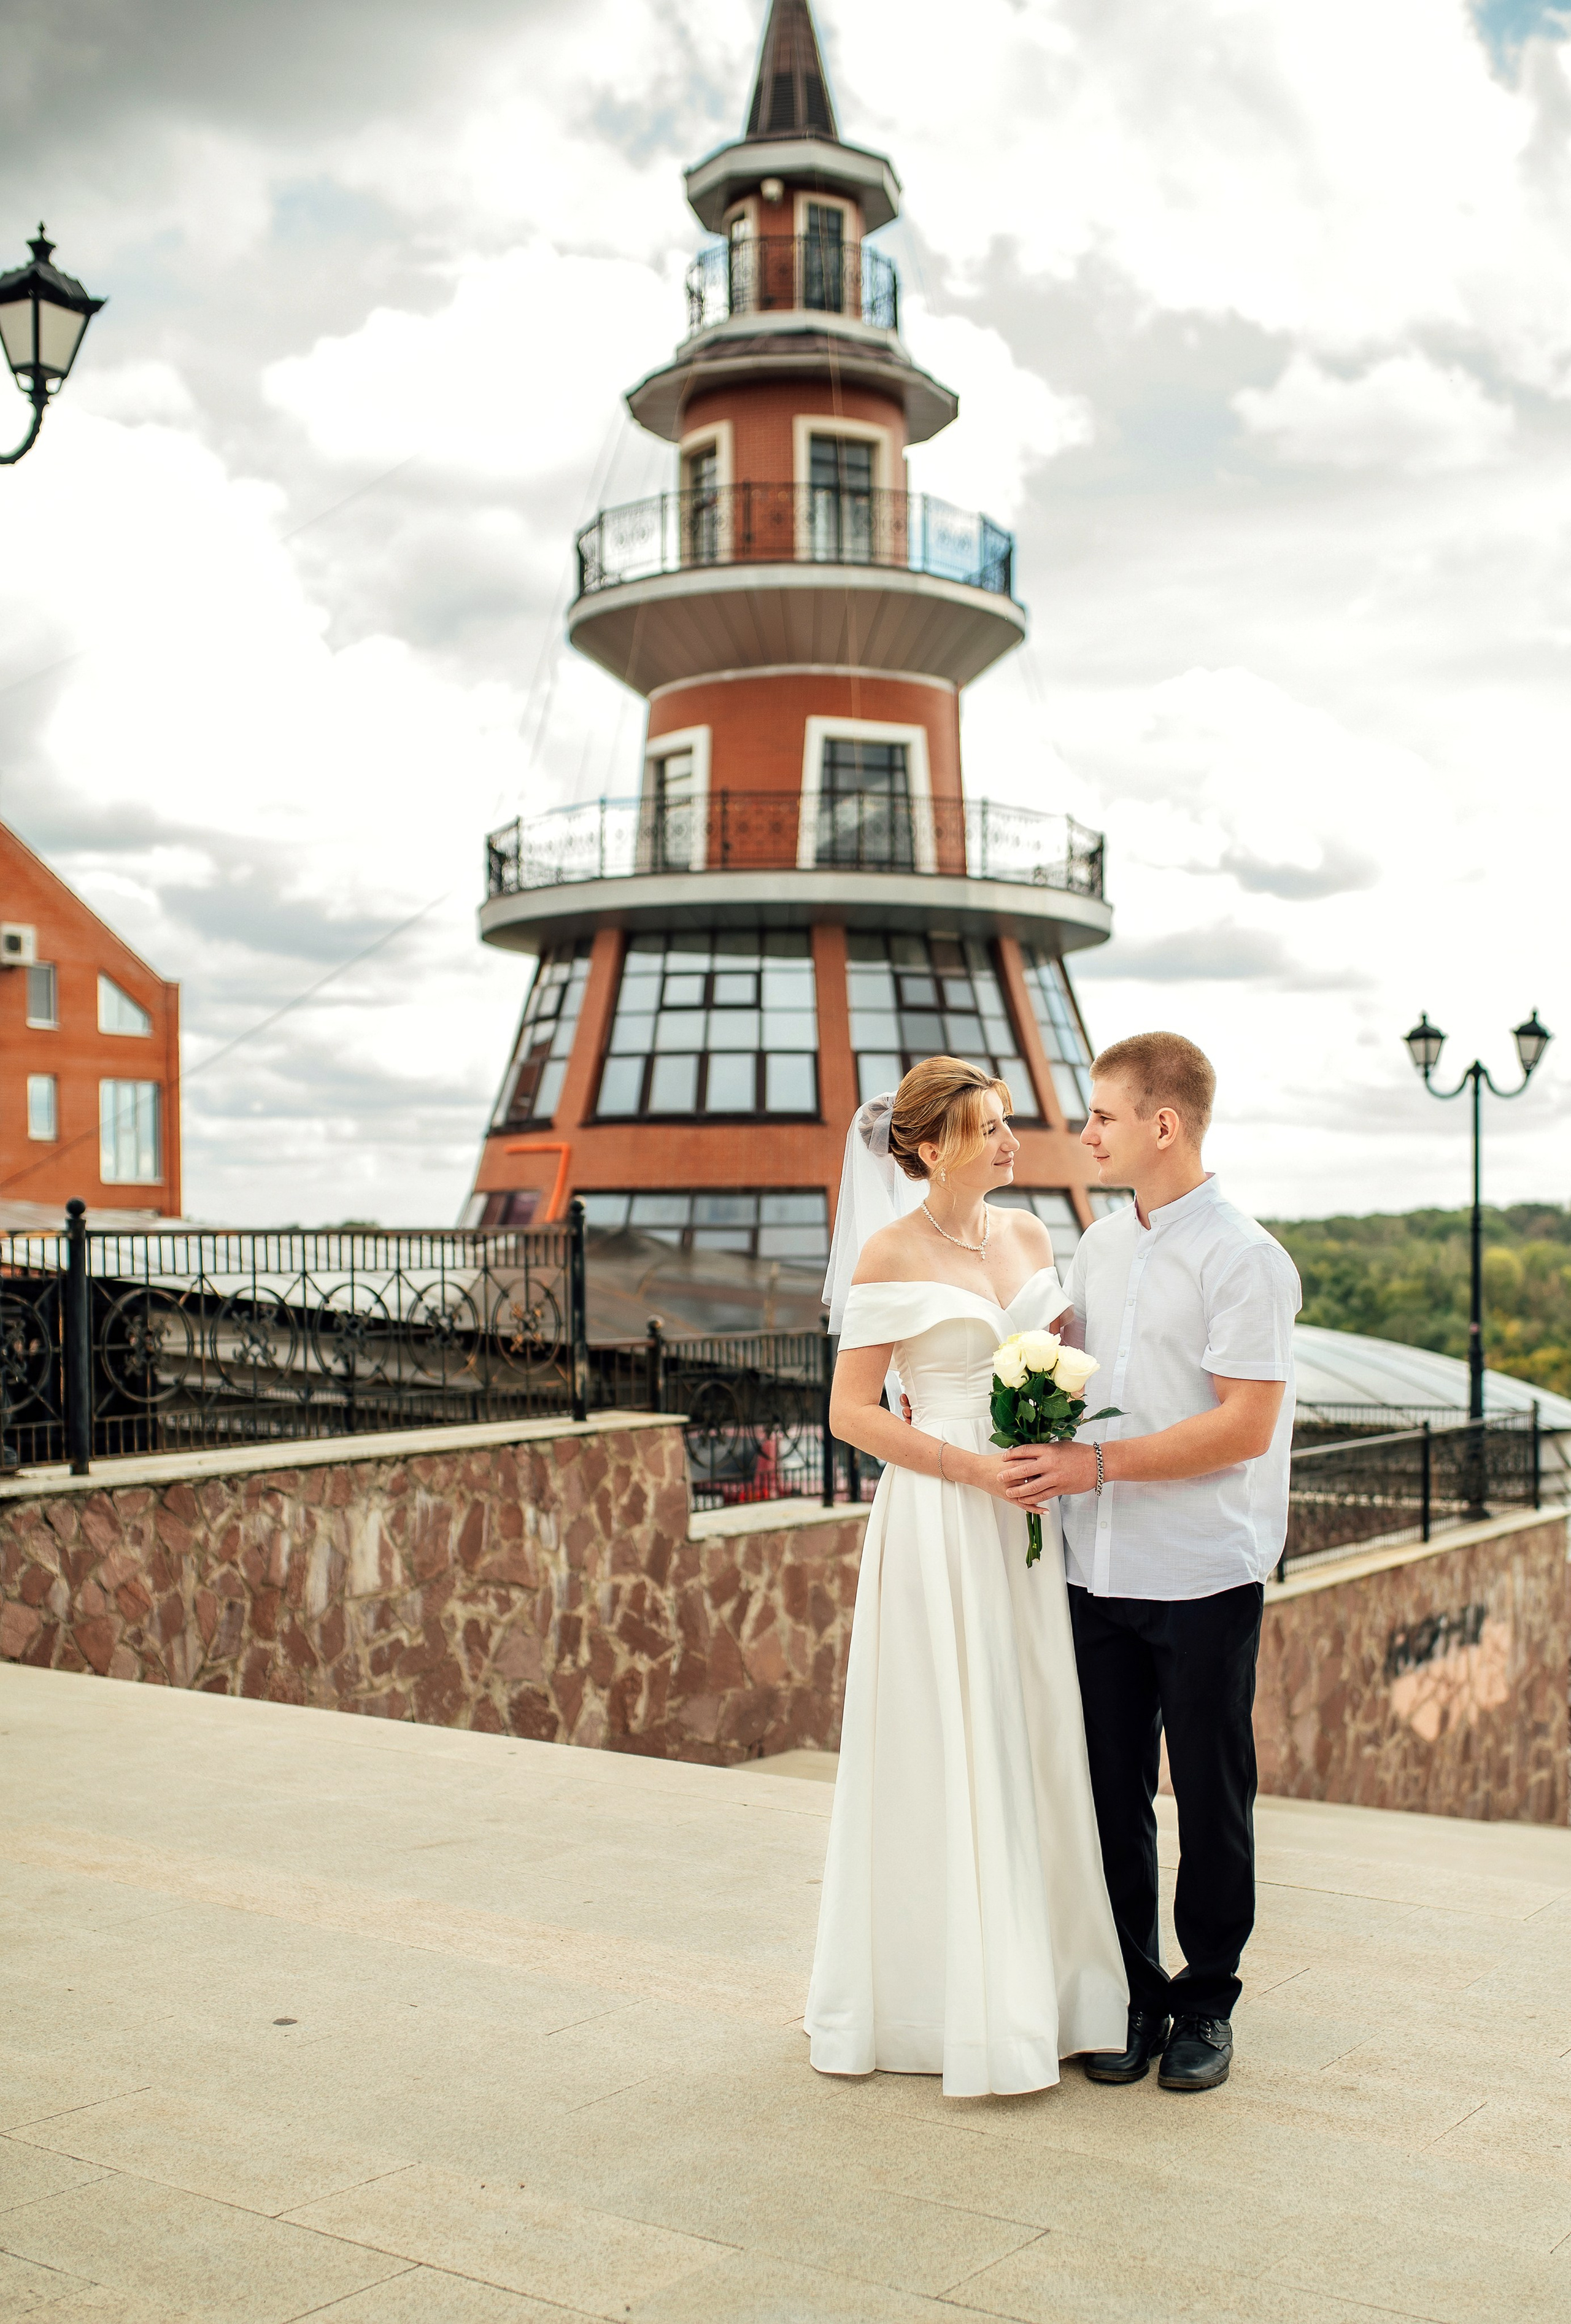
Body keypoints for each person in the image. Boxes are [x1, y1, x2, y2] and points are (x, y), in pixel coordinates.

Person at [805, 1057, 1128, 2098]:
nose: (1009, 1142)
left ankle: (1062, 1992)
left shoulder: (1031, 1236)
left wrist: (1047, 1435)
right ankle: (942, 1997)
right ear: (931, 1147)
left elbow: (1055, 1356)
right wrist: (971, 1466)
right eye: (987, 1128)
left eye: (1007, 1123)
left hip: (1024, 1521)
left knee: (1035, 1728)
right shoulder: (888, 1253)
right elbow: (851, 1414)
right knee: (953, 1733)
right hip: (943, 1517)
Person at [998, 1032, 1301, 2093]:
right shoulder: (1097, 1246)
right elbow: (1069, 1380)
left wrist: (1096, 1464)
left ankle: (1207, 2000)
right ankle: (1130, 1993)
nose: (1085, 1133)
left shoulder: (1247, 1259)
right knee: (1105, 1795)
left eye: (1104, 1118)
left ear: (1163, 1125)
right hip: (1094, 1571)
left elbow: (1243, 1428)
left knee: (1212, 1795)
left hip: (1204, 1573)